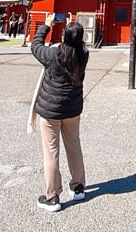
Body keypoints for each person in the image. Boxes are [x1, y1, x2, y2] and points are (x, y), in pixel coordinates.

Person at [31, 14, 89, 213]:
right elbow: (76, 43)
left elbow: (35, 46)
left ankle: (52, 196)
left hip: (51, 110)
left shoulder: (53, 54)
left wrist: (46, 26)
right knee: (74, 146)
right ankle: (78, 187)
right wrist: (72, 29)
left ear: (64, 37)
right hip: (72, 109)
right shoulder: (83, 54)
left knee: (51, 151)